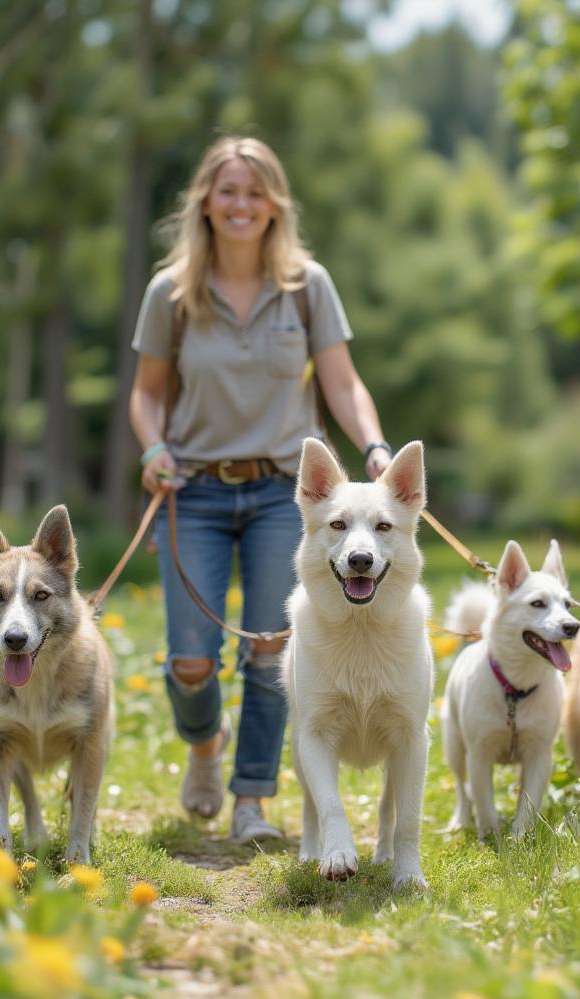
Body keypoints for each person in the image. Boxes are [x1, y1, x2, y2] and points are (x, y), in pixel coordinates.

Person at [128, 136, 392, 842]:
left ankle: (252, 803)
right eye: (227, 191)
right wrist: (152, 446)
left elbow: (342, 381)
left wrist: (371, 445)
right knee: (191, 660)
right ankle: (205, 750)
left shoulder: (308, 287)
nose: (241, 204)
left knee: (273, 648)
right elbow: (146, 395)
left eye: (254, 191)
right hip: (195, 494)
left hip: (286, 495)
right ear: (205, 202)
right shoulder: (172, 292)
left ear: (274, 203)